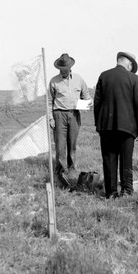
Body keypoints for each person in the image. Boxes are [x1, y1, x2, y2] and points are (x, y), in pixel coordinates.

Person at [94, 52, 138, 199]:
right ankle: (127, 192)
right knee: (126, 160)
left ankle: (111, 193)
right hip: (128, 127)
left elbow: (97, 103)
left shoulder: (104, 76)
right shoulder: (134, 78)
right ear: (129, 64)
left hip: (106, 126)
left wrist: (99, 125)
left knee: (109, 159)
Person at [48, 53, 92, 185]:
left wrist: (88, 103)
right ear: (59, 68)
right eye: (61, 68)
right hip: (59, 114)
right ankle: (61, 172)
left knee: (72, 144)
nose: (63, 70)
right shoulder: (53, 81)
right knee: (60, 145)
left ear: (70, 67)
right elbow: (49, 101)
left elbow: (87, 96)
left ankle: (72, 169)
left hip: (74, 115)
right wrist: (51, 118)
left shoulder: (79, 79)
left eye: (65, 68)